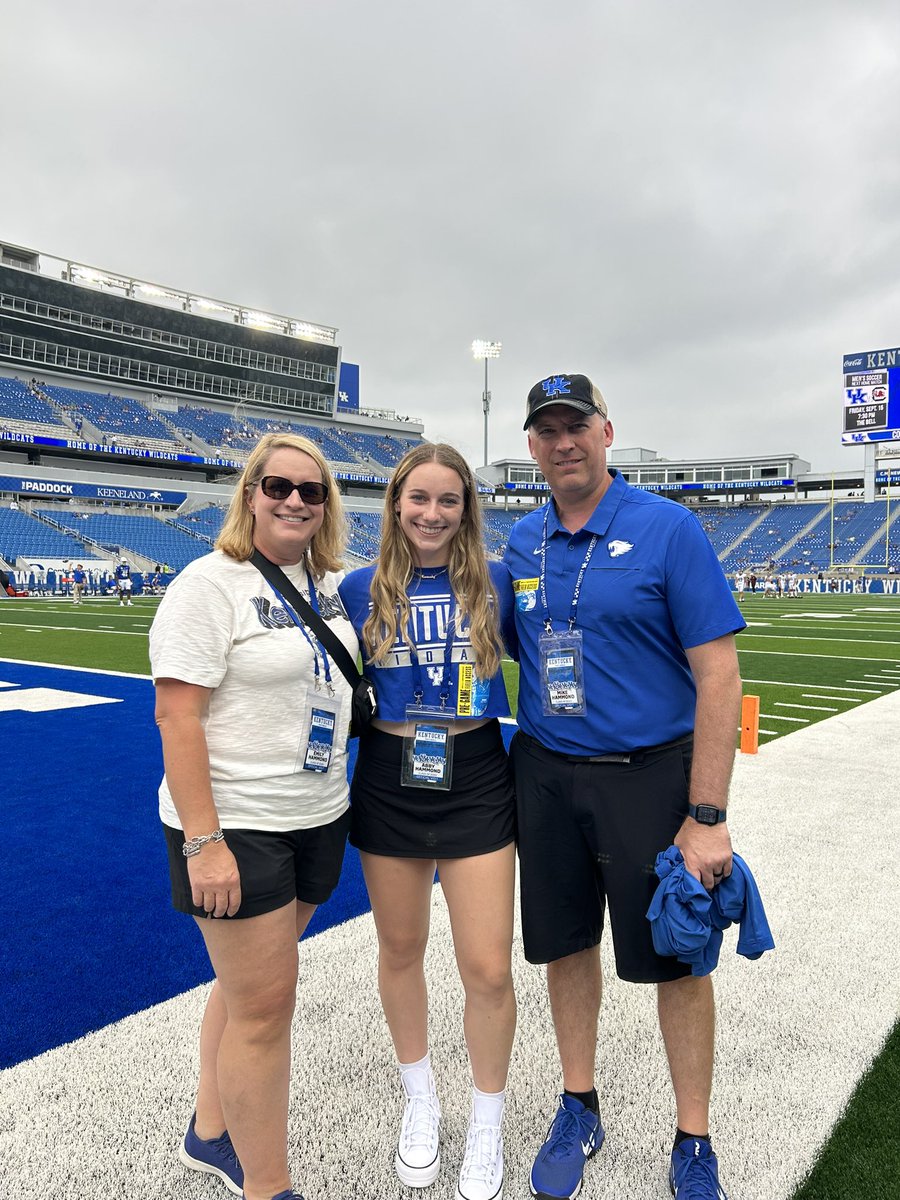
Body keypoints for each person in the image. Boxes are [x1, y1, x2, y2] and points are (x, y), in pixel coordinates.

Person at [504, 374, 745, 1200]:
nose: (563, 441)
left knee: (678, 958)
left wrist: (706, 816)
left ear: (607, 432)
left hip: (650, 777)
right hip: (544, 773)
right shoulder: (520, 541)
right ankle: (579, 1103)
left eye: (577, 425)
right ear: (531, 445)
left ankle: (694, 1136)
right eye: (547, 430)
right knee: (566, 946)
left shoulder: (667, 528)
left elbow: (719, 677)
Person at [149, 433, 357, 1200]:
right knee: (267, 1010)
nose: (295, 501)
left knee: (248, 995)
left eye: (312, 490)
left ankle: (210, 1130)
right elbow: (176, 717)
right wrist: (204, 842)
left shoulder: (330, 582)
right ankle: (268, 1187)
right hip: (237, 823)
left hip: (316, 811)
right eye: (278, 486)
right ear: (250, 493)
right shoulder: (209, 585)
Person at [339, 443, 517, 1200]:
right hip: (389, 776)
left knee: (487, 967)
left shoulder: (498, 581)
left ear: (466, 509)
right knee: (401, 947)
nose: (433, 514)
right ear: (396, 505)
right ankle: (421, 1098)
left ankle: (487, 1117)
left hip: (476, 774)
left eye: (449, 500)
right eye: (419, 499)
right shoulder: (356, 587)